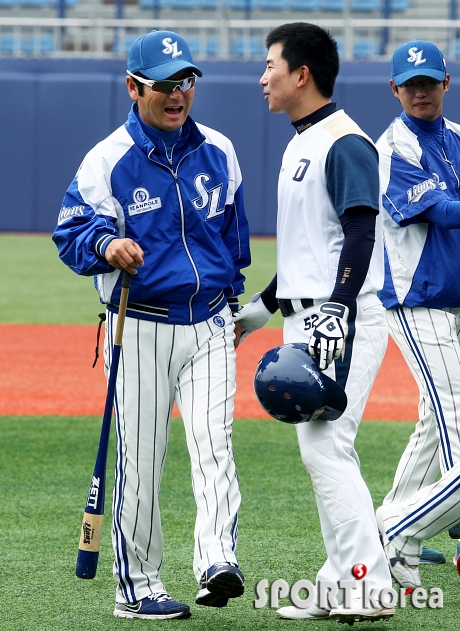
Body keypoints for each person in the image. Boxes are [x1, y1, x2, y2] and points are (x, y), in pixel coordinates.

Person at [53, 30, 250, 620]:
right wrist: (106, 243)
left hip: (211, 322)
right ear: (134, 87)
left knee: (215, 446)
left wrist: (234, 302)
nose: (176, 95)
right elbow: (70, 233)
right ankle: (136, 586)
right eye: (163, 84)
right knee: (142, 459)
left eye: (185, 82)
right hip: (138, 323)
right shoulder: (107, 157)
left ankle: (217, 560)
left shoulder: (220, 149)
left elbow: (233, 239)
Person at [234, 22, 394, 624]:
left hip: (341, 318)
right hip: (312, 315)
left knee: (327, 448)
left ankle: (367, 586)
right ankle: (342, 581)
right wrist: (260, 310)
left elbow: (360, 231)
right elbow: (311, 252)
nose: (262, 76)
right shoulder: (302, 142)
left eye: (270, 64)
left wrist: (337, 309)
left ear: (302, 74)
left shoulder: (345, 141)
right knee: (323, 451)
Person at [374, 39, 460, 589]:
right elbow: (444, 212)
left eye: (429, 82)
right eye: (411, 84)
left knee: (436, 426)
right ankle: (400, 536)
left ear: (445, 84)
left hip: (455, 300)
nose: (421, 91)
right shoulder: (393, 148)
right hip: (416, 300)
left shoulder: (455, 139)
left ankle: (385, 525)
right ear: (395, 90)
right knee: (457, 423)